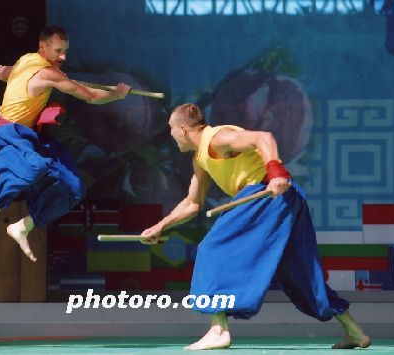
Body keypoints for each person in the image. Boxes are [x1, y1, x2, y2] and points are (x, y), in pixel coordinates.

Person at [141, 103, 371, 350]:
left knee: (212, 248)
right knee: (298, 272)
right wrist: (160, 226)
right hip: (281, 200)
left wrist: (275, 173)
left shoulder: (218, 138)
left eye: (171, 129)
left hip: (266, 194)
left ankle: (218, 330)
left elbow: (263, 137)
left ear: (184, 129)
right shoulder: (201, 159)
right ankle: (354, 331)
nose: (171, 135)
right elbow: (192, 203)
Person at [0, 25, 131, 262]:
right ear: (43, 46)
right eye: (59, 51)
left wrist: (4, 73)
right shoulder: (49, 73)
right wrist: (117, 94)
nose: (63, 57)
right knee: (35, 166)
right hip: (8, 134)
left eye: (66, 51)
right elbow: (91, 96)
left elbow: (17, 74)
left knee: (73, 187)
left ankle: (23, 226)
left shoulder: (26, 60)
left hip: (30, 137)